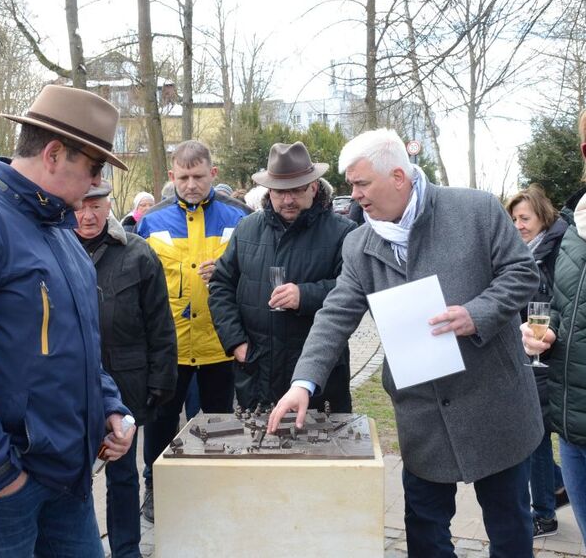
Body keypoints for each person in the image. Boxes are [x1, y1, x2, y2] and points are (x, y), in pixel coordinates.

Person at [268, 128, 543, 558]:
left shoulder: (475, 210)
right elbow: (336, 314)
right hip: (423, 413)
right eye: (351, 185)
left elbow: (523, 274)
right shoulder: (359, 243)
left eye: (361, 183)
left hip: (494, 404)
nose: (353, 195)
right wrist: (303, 384)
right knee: (426, 531)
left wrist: (477, 314)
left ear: (398, 176)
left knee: (509, 526)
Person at [0, 84, 135, 558]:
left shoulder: (63, 234)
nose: (95, 184)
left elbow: (81, 346)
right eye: (93, 168)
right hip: (7, 491)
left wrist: (111, 407)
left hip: (68, 479)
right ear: (53, 154)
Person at [137, 139, 250, 522]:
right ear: (171, 177)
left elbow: (254, 276)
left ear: (213, 174)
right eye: (183, 177)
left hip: (220, 343)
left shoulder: (240, 217)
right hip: (170, 347)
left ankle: (218, 487)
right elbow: (141, 282)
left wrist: (228, 272)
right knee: (160, 424)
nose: (190, 184)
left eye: (198, 176)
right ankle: (155, 488)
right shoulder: (151, 221)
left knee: (219, 422)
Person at [209, 141, 357, 411]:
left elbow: (354, 291)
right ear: (268, 190)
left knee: (321, 450)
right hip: (257, 372)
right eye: (280, 192)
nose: (288, 200)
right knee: (259, 449)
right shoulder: (246, 229)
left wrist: (305, 295)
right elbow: (221, 285)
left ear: (313, 187)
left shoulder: (344, 232)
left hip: (319, 376)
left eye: (297, 190)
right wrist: (236, 343)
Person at [74, 180, 177, 558]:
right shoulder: (57, 247)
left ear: (109, 205)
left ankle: (127, 550)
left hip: (128, 380)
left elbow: (160, 322)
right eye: (80, 206)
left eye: (96, 206)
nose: (87, 215)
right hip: (73, 385)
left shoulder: (137, 252)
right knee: (73, 475)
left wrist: (161, 379)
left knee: (122, 474)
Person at [521, 109, 586, 544]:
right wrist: (549, 331)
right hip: (576, 429)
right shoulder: (577, 229)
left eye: (524, 218)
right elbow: (566, 307)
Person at [506, 184, 569, 539]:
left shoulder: (555, 251)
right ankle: (557, 489)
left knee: (537, 435)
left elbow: (550, 303)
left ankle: (544, 514)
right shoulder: (526, 250)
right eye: (514, 218)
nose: (518, 225)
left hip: (545, 353)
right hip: (528, 348)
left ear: (542, 216)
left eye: (525, 218)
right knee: (536, 432)